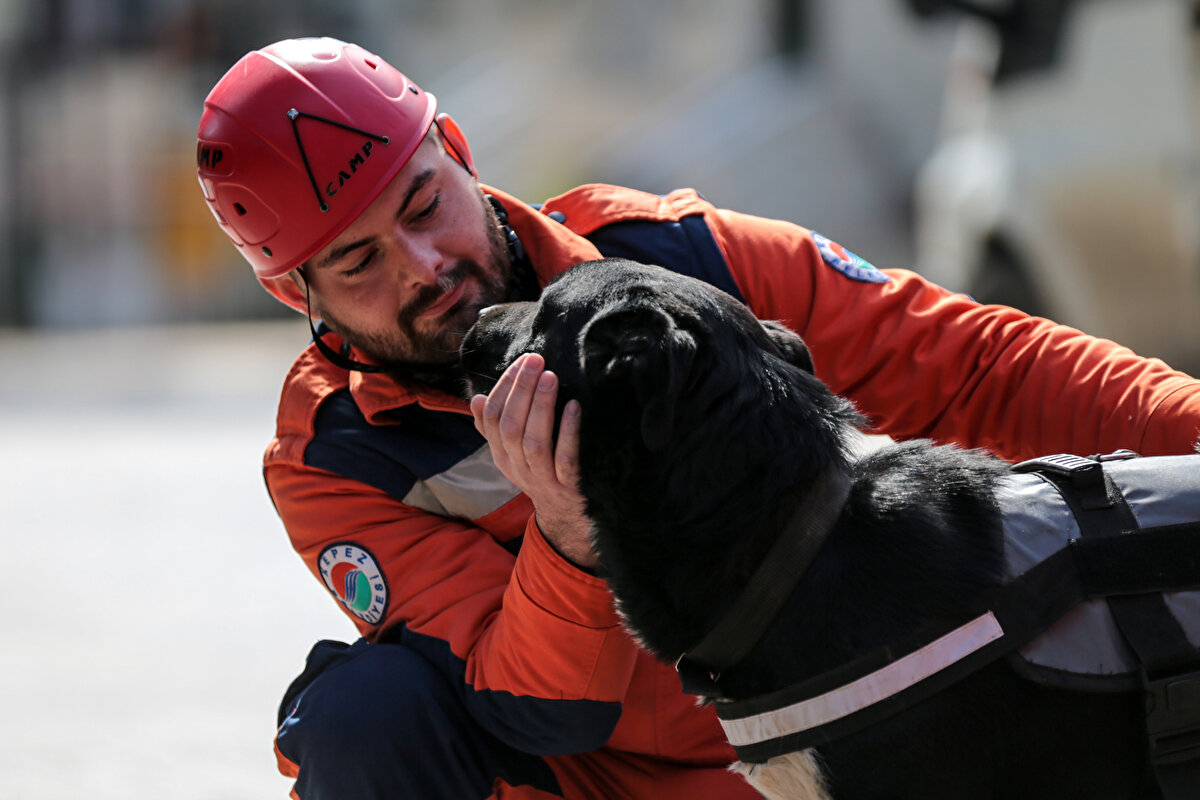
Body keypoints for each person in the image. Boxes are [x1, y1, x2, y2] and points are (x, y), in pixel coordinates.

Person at [196, 37, 1200, 800]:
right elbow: (537, 705)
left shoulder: (680, 265)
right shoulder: (335, 457)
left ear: (456, 151)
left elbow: (978, 365)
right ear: (302, 294)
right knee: (365, 713)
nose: (425, 267)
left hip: (844, 737)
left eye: (423, 205)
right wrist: (569, 537)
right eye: (359, 262)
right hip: (605, 777)